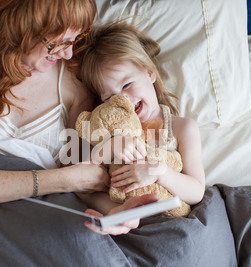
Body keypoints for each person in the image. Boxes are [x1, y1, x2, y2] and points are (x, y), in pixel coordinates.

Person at [0, 0, 156, 234]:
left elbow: (84, 182)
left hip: (39, 224)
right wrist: (60, 180)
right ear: (20, 27)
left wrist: (115, 211)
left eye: (76, 40)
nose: (68, 52)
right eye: (57, 43)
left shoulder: (72, 86)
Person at [78, 22, 206, 234]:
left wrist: (158, 172)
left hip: (173, 224)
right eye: (110, 97)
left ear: (150, 73)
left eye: (127, 85)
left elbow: (196, 191)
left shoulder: (182, 128)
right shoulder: (110, 135)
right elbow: (84, 185)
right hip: (128, 225)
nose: (124, 100)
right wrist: (117, 211)